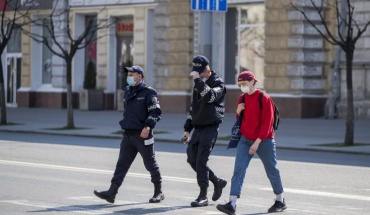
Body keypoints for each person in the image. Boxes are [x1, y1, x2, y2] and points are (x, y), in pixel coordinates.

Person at [216, 71, 287, 214]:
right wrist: (238, 110)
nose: (242, 86)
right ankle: (232, 203)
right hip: (245, 139)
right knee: (238, 170)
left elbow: (268, 123)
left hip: (264, 140)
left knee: (272, 170)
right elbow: (240, 118)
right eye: (240, 84)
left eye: (244, 83)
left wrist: (257, 142)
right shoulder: (242, 98)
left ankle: (280, 200)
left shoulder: (264, 98)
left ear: (252, 82)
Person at [94, 65, 164, 204]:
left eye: (132, 74)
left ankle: (158, 192)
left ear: (140, 76)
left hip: (143, 134)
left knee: (150, 164)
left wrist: (148, 127)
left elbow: (156, 112)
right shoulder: (127, 90)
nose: (129, 76)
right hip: (128, 135)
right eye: (128, 74)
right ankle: (112, 192)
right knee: (122, 164)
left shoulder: (149, 92)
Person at [182, 55, 228, 207]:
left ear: (207, 70)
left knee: (201, 161)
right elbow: (193, 108)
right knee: (192, 159)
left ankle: (203, 195)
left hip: (210, 126)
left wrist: (198, 81)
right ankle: (217, 181)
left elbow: (209, 96)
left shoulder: (218, 83)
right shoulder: (199, 83)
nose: (196, 74)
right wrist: (187, 129)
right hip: (198, 126)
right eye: (195, 72)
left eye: (199, 72)